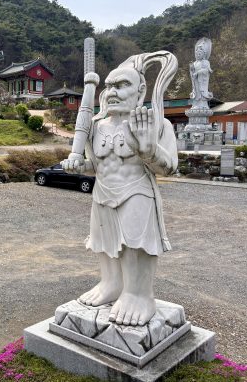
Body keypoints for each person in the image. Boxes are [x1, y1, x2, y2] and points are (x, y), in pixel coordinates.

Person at [62, 51, 178, 326]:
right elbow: (96, 164)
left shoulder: (157, 123)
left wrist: (150, 151)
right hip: (102, 193)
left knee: (134, 246)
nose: (113, 91)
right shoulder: (95, 126)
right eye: (110, 85)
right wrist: (78, 166)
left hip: (136, 192)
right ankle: (111, 284)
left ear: (141, 90)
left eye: (122, 85)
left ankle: (139, 294)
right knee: (103, 243)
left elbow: (170, 167)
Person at [190, 38, 213, 108]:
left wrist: (198, 73)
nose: (198, 55)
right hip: (196, 82)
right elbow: (192, 72)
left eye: (199, 53)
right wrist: (191, 69)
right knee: (196, 92)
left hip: (202, 82)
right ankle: (196, 104)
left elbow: (207, 71)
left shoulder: (205, 62)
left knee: (201, 92)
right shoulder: (195, 63)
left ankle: (202, 104)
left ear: (204, 54)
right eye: (196, 53)